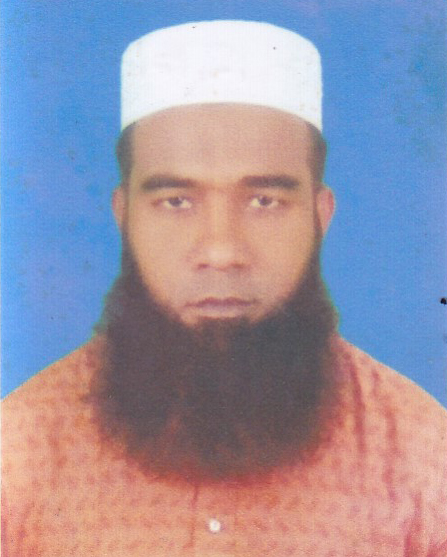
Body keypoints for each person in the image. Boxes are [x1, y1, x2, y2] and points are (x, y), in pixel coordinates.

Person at [2, 20, 446, 557]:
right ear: (124, 217)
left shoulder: (423, 455)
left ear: (320, 216)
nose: (220, 250)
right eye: (176, 201)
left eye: (264, 201)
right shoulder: (19, 452)